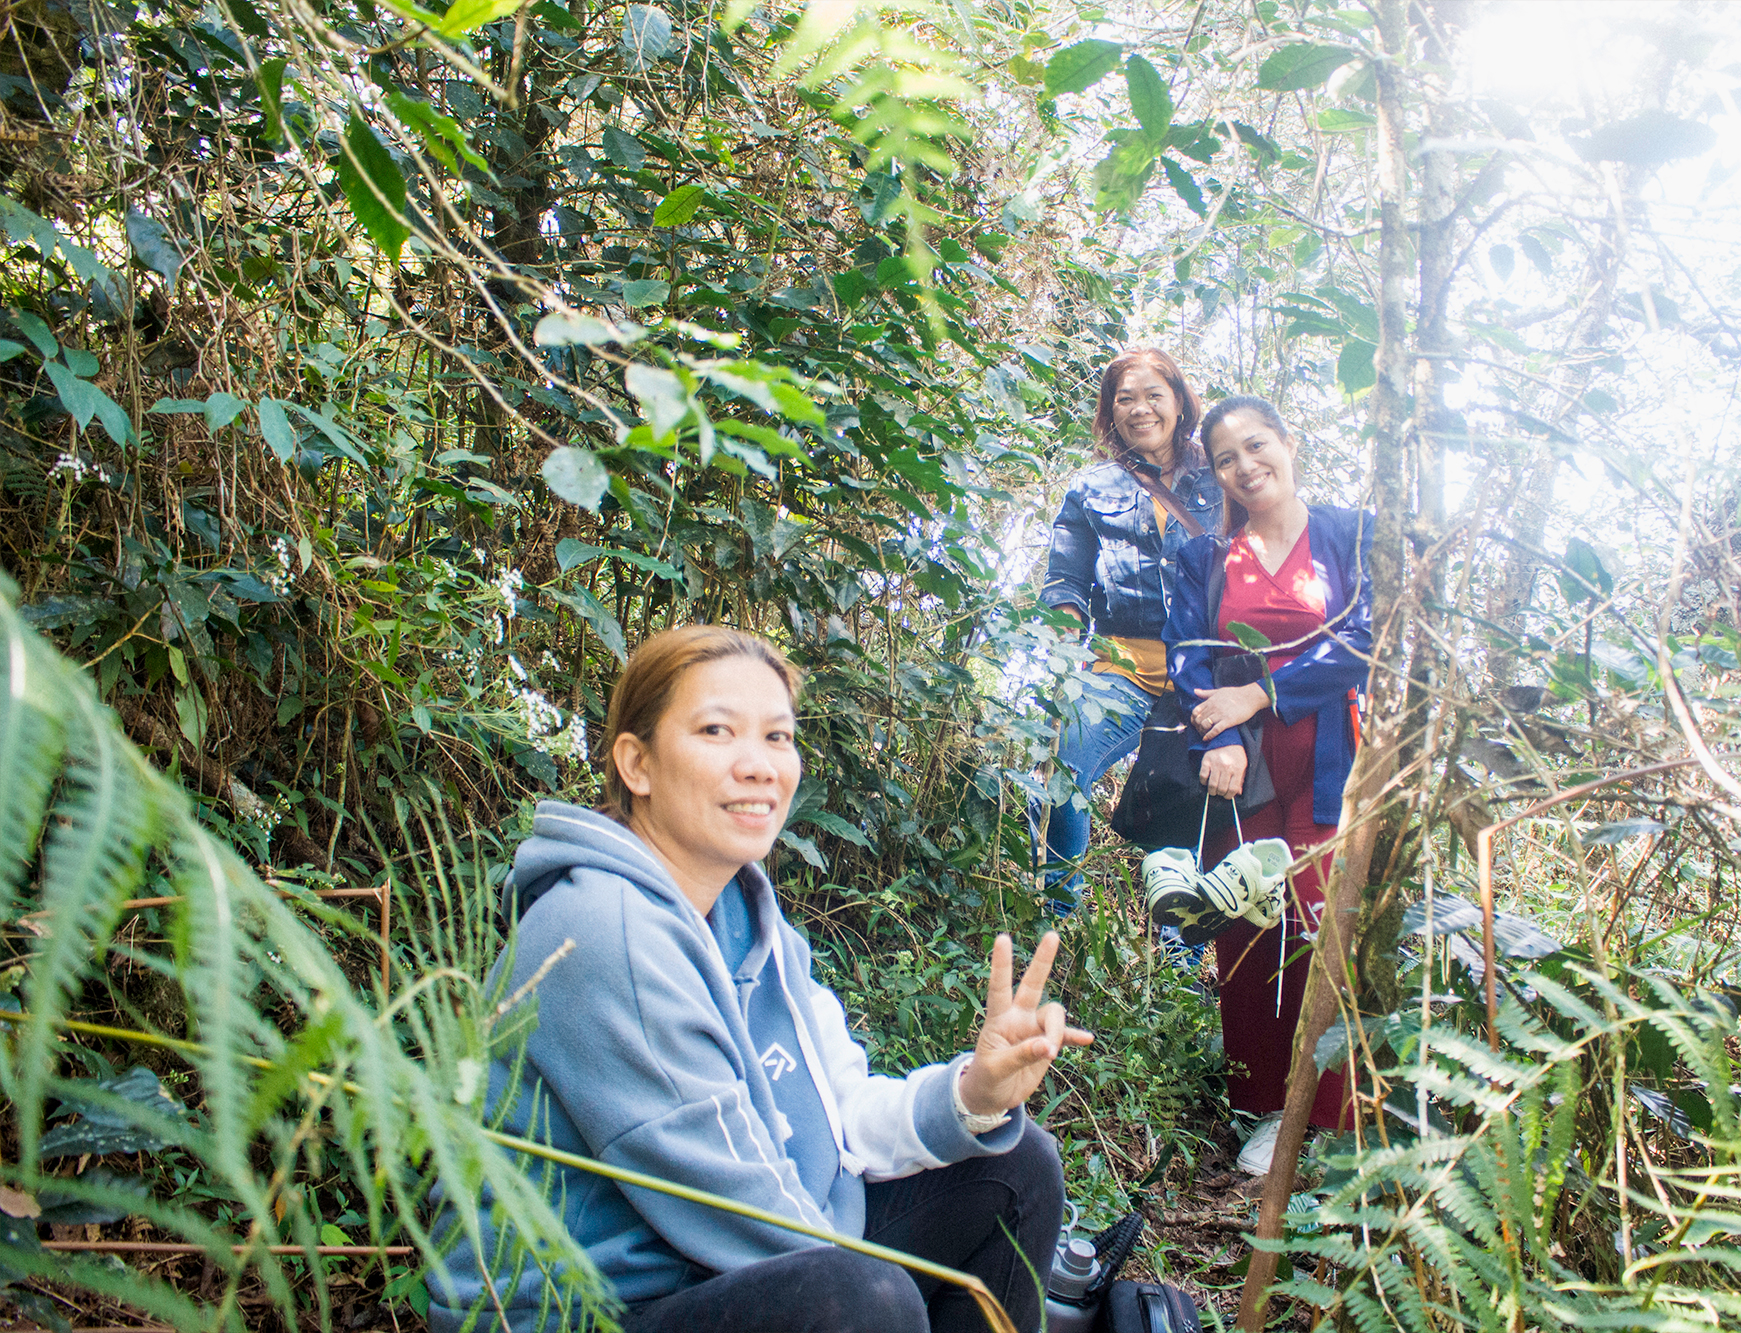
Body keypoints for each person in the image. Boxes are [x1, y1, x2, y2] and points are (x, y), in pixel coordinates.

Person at [428, 625, 1092, 1333]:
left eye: (778, 736)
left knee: (1016, 1167)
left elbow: (843, 1111)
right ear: (637, 763)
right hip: (585, 1308)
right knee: (863, 1300)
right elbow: (741, 1211)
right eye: (717, 730)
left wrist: (975, 1095)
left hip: (720, 1266)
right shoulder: (602, 931)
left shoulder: (749, 922)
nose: (759, 765)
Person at [1162, 396, 1373, 1175]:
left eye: (1257, 446)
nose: (1246, 467)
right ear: (1213, 473)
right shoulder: (1207, 557)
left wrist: (1261, 693)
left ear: (1289, 442)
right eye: (1226, 459)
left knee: (1317, 922)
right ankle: (1259, 1108)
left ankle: (1323, 1117)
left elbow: (1364, 637)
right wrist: (1222, 731)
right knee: (1246, 923)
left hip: (1328, 755)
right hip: (1240, 765)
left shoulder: (1350, 533)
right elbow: (1189, 654)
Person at [1039, 348, 1222, 910]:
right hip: (1120, 672)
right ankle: (1056, 919)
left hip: (1204, 680)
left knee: (1191, 805)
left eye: (1153, 396)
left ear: (1179, 402)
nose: (1140, 410)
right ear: (1110, 411)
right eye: (1125, 399)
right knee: (1058, 773)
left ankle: (1180, 953)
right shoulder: (1092, 488)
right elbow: (1064, 581)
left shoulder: (1221, 477)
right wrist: (1066, 657)